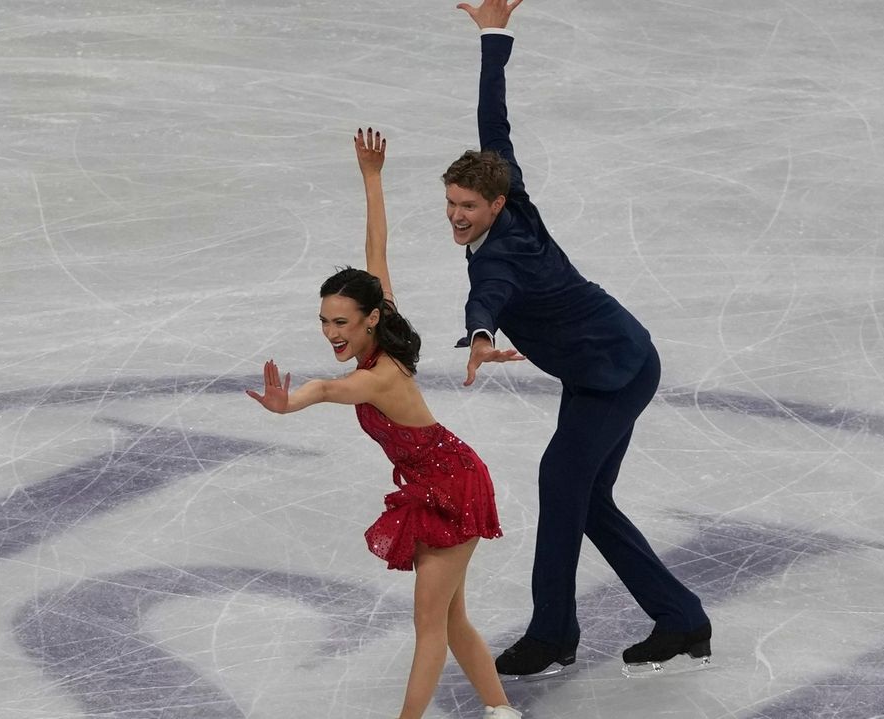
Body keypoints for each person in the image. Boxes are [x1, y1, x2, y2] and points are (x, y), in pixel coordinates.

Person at [446, 0, 713, 679]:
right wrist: (493, 38)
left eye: (467, 207)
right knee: (585, 496)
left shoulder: (504, 254)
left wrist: (480, 333)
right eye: (450, 203)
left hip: (614, 372)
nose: (456, 215)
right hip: (610, 359)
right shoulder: (510, 189)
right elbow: (492, 123)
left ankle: (553, 633)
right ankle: (679, 618)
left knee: (563, 482)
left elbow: (491, 295)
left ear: (496, 206)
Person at [247, 128, 521, 719]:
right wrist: (372, 179)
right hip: (434, 481)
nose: (332, 332)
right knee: (450, 619)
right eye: (324, 320)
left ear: (370, 318)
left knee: (429, 626)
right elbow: (377, 252)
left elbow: (322, 389)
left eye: (342, 321)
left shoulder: (378, 377)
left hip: (452, 486)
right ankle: (501, 712)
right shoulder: (383, 330)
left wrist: (286, 405)